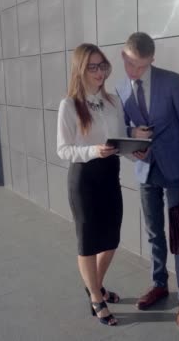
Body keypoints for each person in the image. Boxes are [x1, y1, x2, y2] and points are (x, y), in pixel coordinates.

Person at [116, 32, 179, 330]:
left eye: (140, 66)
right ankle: (158, 283)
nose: (133, 71)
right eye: (129, 64)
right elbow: (121, 128)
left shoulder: (171, 81)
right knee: (153, 232)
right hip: (145, 169)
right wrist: (131, 146)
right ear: (123, 56)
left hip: (177, 168)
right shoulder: (119, 87)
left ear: (152, 59)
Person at [56, 43, 125, 326]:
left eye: (103, 65)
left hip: (110, 173)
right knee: (88, 241)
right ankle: (97, 297)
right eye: (93, 67)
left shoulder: (112, 101)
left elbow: (118, 139)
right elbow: (63, 150)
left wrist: (136, 138)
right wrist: (92, 151)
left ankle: (94, 285)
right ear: (80, 70)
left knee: (111, 239)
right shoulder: (70, 104)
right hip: (84, 178)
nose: (99, 72)